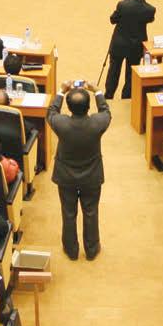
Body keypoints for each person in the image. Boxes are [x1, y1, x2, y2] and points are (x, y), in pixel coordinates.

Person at [47, 80, 111, 260]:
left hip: (65, 176)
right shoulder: (98, 123)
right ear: (88, 106)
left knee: (68, 213)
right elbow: (106, 111)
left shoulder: (61, 123)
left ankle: (71, 250)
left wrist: (61, 91)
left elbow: (51, 112)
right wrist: (97, 91)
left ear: (68, 108)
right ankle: (92, 249)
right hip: (92, 176)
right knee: (91, 212)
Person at [104, 0, 156, 100]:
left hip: (119, 44)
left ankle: (109, 95)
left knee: (114, 70)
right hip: (136, 46)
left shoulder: (122, 5)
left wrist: (126, 2)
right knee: (131, 73)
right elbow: (150, 19)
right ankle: (126, 97)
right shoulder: (150, 9)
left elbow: (113, 20)